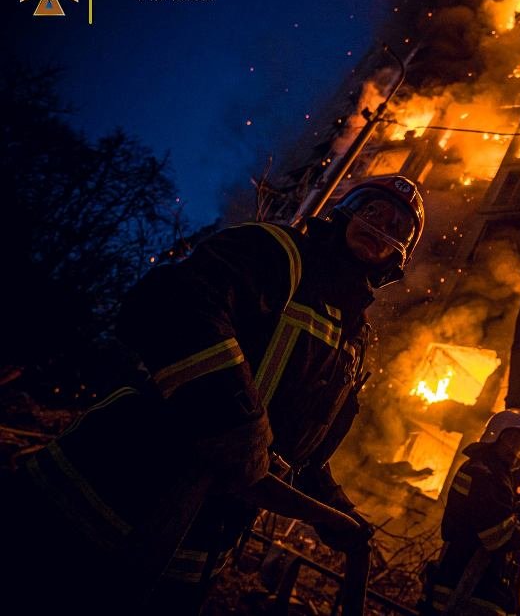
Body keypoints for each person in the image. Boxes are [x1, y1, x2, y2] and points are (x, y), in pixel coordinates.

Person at [1, 175, 425, 614]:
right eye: (372, 210)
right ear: (345, 212)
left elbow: (300, 452)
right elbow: (171, 303)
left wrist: (338, 514)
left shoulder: (352, 339)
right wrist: (238, 421)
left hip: (196, 546)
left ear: (398, 258)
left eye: (396, 226)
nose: (380, 226)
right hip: (100, 488)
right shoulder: (277, 252)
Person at [423, 408, 520, 616]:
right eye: (513, 441)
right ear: (496, 437)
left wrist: (516, 513)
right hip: (467, 587)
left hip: (463, 580)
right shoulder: (486, 474)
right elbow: (496, 536)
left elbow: (487, 513)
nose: (517, 451)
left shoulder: (487, 471)